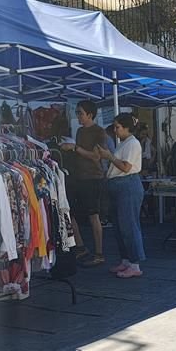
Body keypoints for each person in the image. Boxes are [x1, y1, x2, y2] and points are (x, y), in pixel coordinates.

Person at [97, 113, 145, 279]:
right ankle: (126, 260)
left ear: (126, 128)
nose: (115, 130)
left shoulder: (133, 144)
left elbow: (125, 167)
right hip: (119, 185)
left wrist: (109, 156)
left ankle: (135, 264)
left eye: (118, 127)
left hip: (127, 185)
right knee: (119, 226)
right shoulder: (124, 143)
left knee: (129, 225)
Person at [61, 101, 107, 267]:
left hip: (93, 178)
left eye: (80, 113)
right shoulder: (80, 131)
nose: (78, 116)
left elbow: (96, 156)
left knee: (93, 215)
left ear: (90, 114)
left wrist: (75, 148)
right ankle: (81, 247)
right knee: (71, 211)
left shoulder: (99, 132)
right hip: (79, 177)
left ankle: (99, 253)